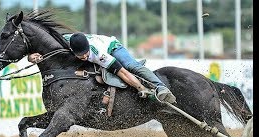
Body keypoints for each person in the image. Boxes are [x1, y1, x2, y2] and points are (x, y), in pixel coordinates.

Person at [28, 32, 176, 104]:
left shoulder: (98, 54)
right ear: (72, 50)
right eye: (81, 55)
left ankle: (160, 87)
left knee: (130, 66)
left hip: (112, 47)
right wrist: (31, 57)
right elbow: (43, 50)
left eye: (86, 54)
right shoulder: (65, 42)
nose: (85, 57)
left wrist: (140, 87)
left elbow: (123, 73)